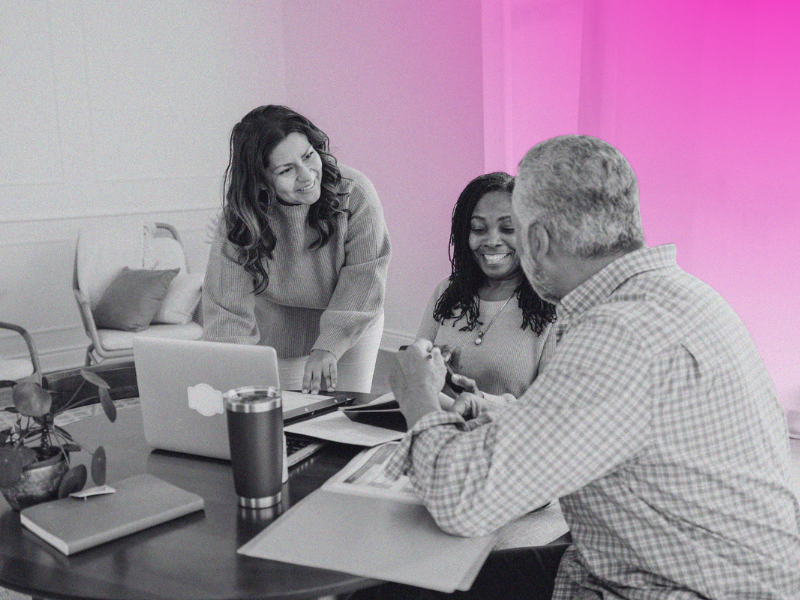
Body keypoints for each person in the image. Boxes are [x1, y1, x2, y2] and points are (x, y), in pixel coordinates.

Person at [384, 136, 800, 599]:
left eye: (515, 231)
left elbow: (462, 504)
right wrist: (494, 410)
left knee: (399, 585)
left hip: (660, 587)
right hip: (663, 565)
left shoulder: (618, 335)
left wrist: (419, 397)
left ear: (536, 241)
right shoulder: (681, 296)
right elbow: (599, 422)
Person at [203, 105, 391, 393]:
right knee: (283, 422)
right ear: (261, 179)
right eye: (287, 169)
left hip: (351, 321)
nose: (306, 176)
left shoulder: (356, 193)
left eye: (308, 156)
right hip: (277, 333)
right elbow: (228, 309)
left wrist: (328, 346)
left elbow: (364, 279)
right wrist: (235, 368)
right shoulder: (240, 219)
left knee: (345, 418)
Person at [417, 172, 556, 410]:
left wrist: (482, 402)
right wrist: (426, 367)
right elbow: (418, 376)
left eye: (508, 228)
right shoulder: (447, 291)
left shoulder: (555, 305)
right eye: (479, 229)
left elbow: (551, 411)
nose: (492, 240)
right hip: (439, 427)